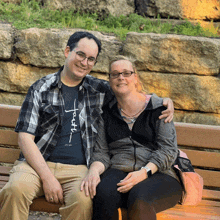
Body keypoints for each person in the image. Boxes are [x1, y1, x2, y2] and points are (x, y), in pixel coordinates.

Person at [0, 32, 174, 220]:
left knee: (83, 201)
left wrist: (161, 101)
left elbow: (127, 88)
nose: (85, 62)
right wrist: (47, 177)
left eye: (91, 59)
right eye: (80, 55)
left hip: (78, 169)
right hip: (37, 165)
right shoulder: (41, 88)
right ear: (67, 51)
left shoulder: (98, 89)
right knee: (14, 190)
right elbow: (24, 138)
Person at [81, 55, 183, 220]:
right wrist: (93, 171)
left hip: (159, 173)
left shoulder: (158, 109)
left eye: (126, 73)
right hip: (119, 169)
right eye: (115, 74)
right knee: (103, 193)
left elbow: (168, 150)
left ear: (135, 77)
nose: (121, 77)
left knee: (139, 198)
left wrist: (143, 172)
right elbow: (101, 153)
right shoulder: (106, 113)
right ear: (110, 80)